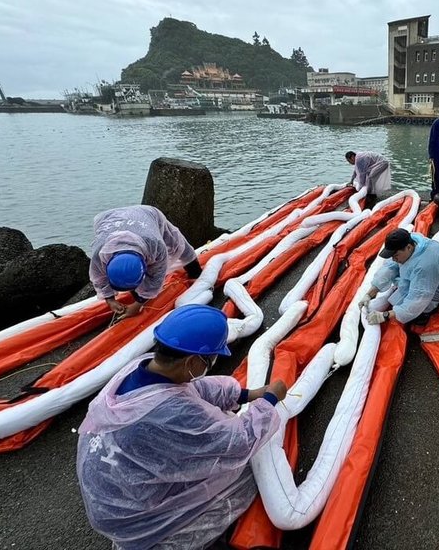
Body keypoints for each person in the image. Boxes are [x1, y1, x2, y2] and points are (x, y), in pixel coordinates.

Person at [76, 304, 287, 550]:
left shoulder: (143, 368)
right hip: (134, 516)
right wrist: (269, 400)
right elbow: (240, 441)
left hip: (116, 490)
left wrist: (247, 394)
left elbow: (195, 390)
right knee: (247, 471)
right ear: (194, 360)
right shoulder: (171, 414)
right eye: (211, 359)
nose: (213, 363)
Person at [89, 205, 203, 319]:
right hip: (109, 219)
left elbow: (155, 278)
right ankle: (137, 294)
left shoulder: (156, 245)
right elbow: (99, 278)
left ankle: (196, 273)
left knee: (178, 245)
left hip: (146, 214)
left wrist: (137, 305)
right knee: (131, 279)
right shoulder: (99, 253)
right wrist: (110, 300)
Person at [358, 228, 439, 326]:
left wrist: (385, 315)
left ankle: (427, 311)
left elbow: (419, 296)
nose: (394, 259)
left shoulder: (426, 265)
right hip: (430, 274)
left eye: (395, 256)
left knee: (417, 303)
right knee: (402, 285)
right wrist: (369, 294)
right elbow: (389, 267)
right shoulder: (410, 242)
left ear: (409, 247)